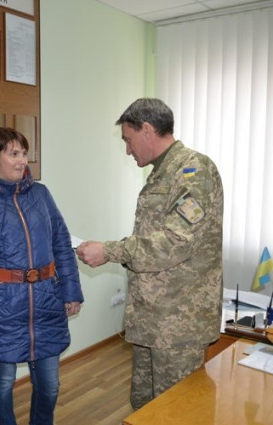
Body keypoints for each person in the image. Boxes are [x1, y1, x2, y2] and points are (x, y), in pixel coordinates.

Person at [76, 98, 224, 410]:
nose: (127, 150)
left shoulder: (193, 171)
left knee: (176, 412)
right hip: (152, 319)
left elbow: (174, 241)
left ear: (146, 129)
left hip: (179, 324)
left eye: (127, 140)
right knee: (144, 407)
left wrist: (109, 251)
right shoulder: (161, 173)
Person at [0, 127, 84, 425]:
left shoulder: (41, 194)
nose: (22, 160)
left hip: (46, 303)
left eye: (24, 153)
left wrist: (71, 291)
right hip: (1, 309)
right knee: (2, 383)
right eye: (13, 153)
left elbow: (61, 243)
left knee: (49, 385)